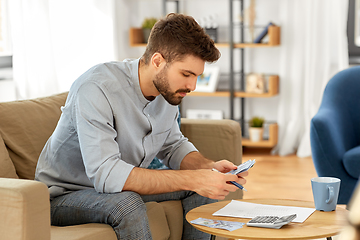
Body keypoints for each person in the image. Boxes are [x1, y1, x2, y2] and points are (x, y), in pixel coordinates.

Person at [35, 13, 248, 240]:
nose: (192, 85)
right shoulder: (96, 88)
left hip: (115, 189)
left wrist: (208, 167)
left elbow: (173, 146)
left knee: (203, 188)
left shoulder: (167, 94)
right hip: (63, 195)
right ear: (157, 61)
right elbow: (106, 175)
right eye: (186, 74)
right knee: (127, 204)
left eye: (197, 76)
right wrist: (194, 178)